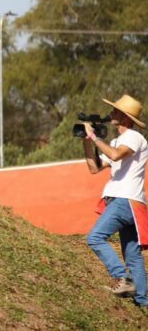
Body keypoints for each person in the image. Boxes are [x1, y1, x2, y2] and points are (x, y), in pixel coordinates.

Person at [83, 94, 148, 306]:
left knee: (95, 237)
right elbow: (94, 168)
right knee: (133, 254)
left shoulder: (133, 137)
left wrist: (95, 138)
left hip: (124, 200)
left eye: (116, 110)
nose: (112, 113)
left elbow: (115, 155)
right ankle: (143, 302)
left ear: (126, 117)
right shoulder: (117, 140)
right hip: (126, 202)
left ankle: (123, 278)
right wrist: (87, 141)